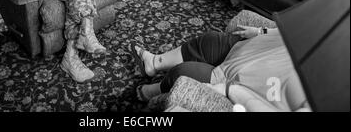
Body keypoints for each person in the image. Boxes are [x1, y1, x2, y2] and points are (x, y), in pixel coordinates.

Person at [131, 25, 310, 112]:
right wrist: (260, 31)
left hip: (238, 82)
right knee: (210, 40)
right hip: (248, 47)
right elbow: (291, 30)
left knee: (184, 73)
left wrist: (230, 89)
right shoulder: (328, 30)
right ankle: (155, 63)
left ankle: (151, 92)